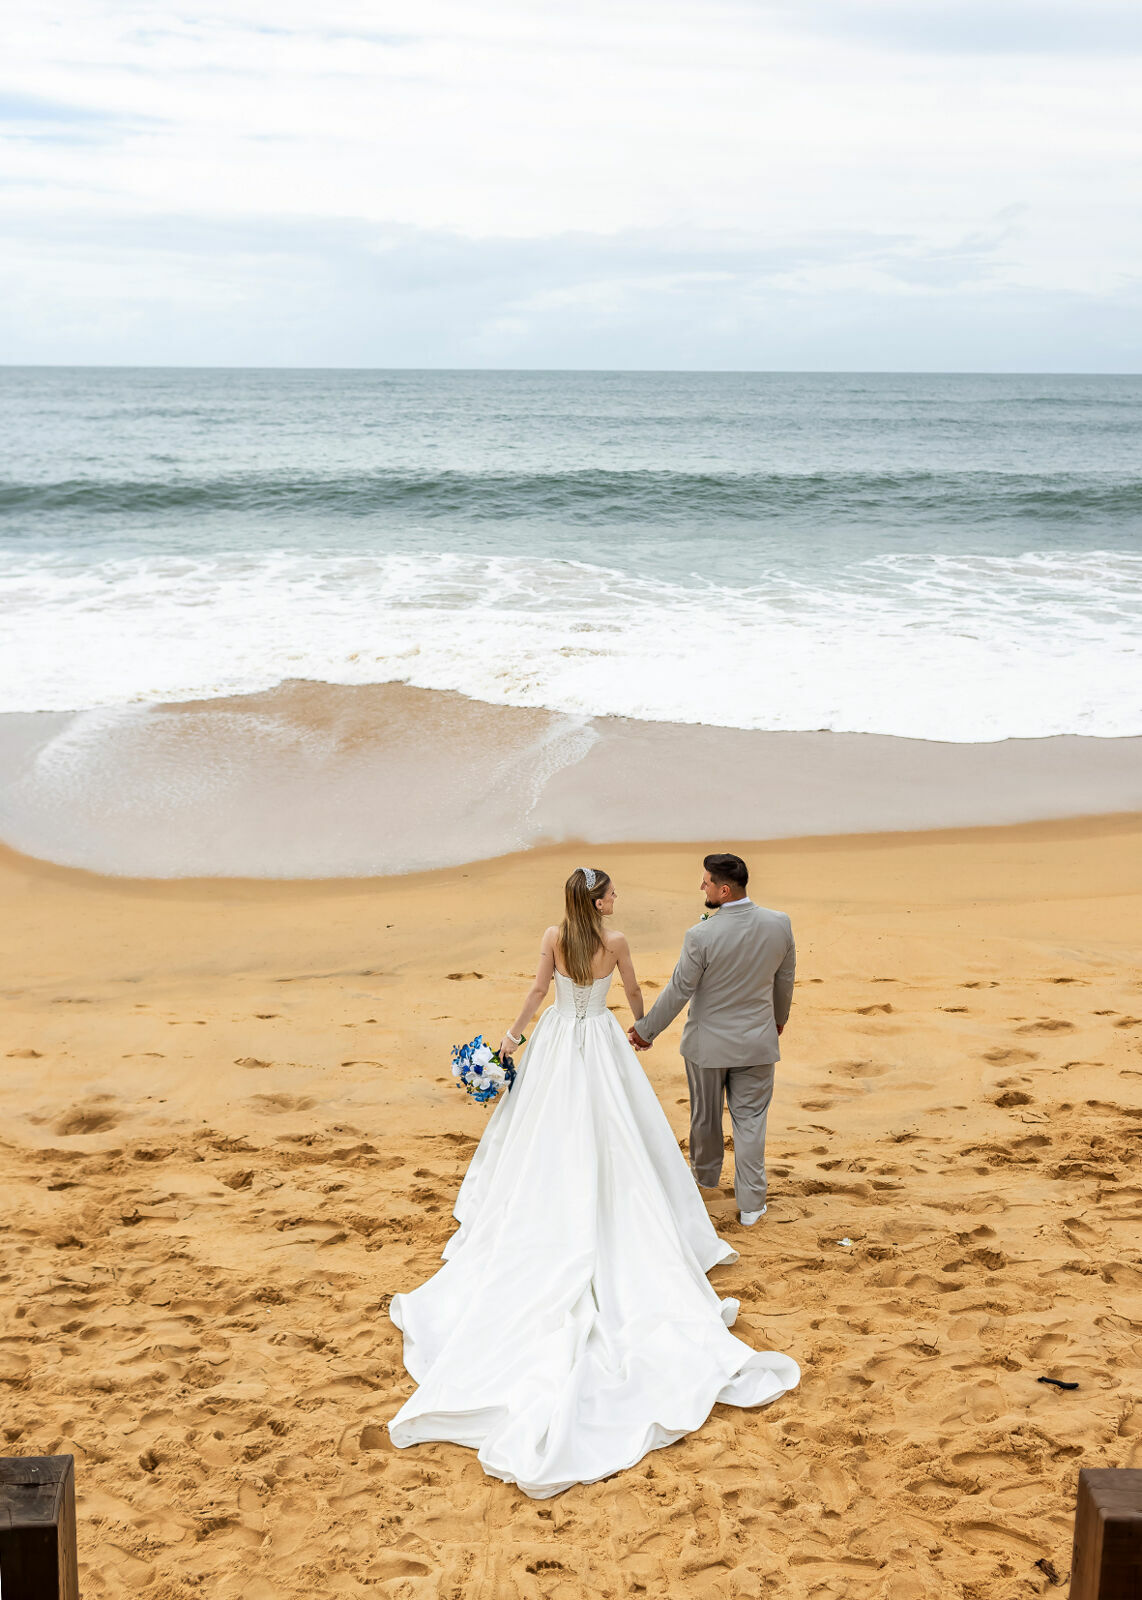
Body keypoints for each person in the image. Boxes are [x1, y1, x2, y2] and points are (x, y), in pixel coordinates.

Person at [386, 866, 799, 1498]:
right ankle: (729, 1201)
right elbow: (633, 994)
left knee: (544, 1132)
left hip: (557, 1040)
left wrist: (510, 1040)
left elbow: (534, 995)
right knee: (621, 1131)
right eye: (610, 892)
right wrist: (637, 1025)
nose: (616, 899)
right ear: (598, 901)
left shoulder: (555, 936)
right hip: (600, 1040)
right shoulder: (618, 943)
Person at [629, 852, 795, 1227]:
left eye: (705, 882)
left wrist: (645, 1030)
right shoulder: (779, 924)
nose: (700, 887)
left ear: (723, 889)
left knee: (705, 1117)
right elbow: (785, 980)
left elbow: (679, 989)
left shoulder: (701, 934)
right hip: (757, 1043)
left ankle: (704, 1181)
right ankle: (752, 1204)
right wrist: (778, 1021)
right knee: (751, 1121)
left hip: (707, 1047)